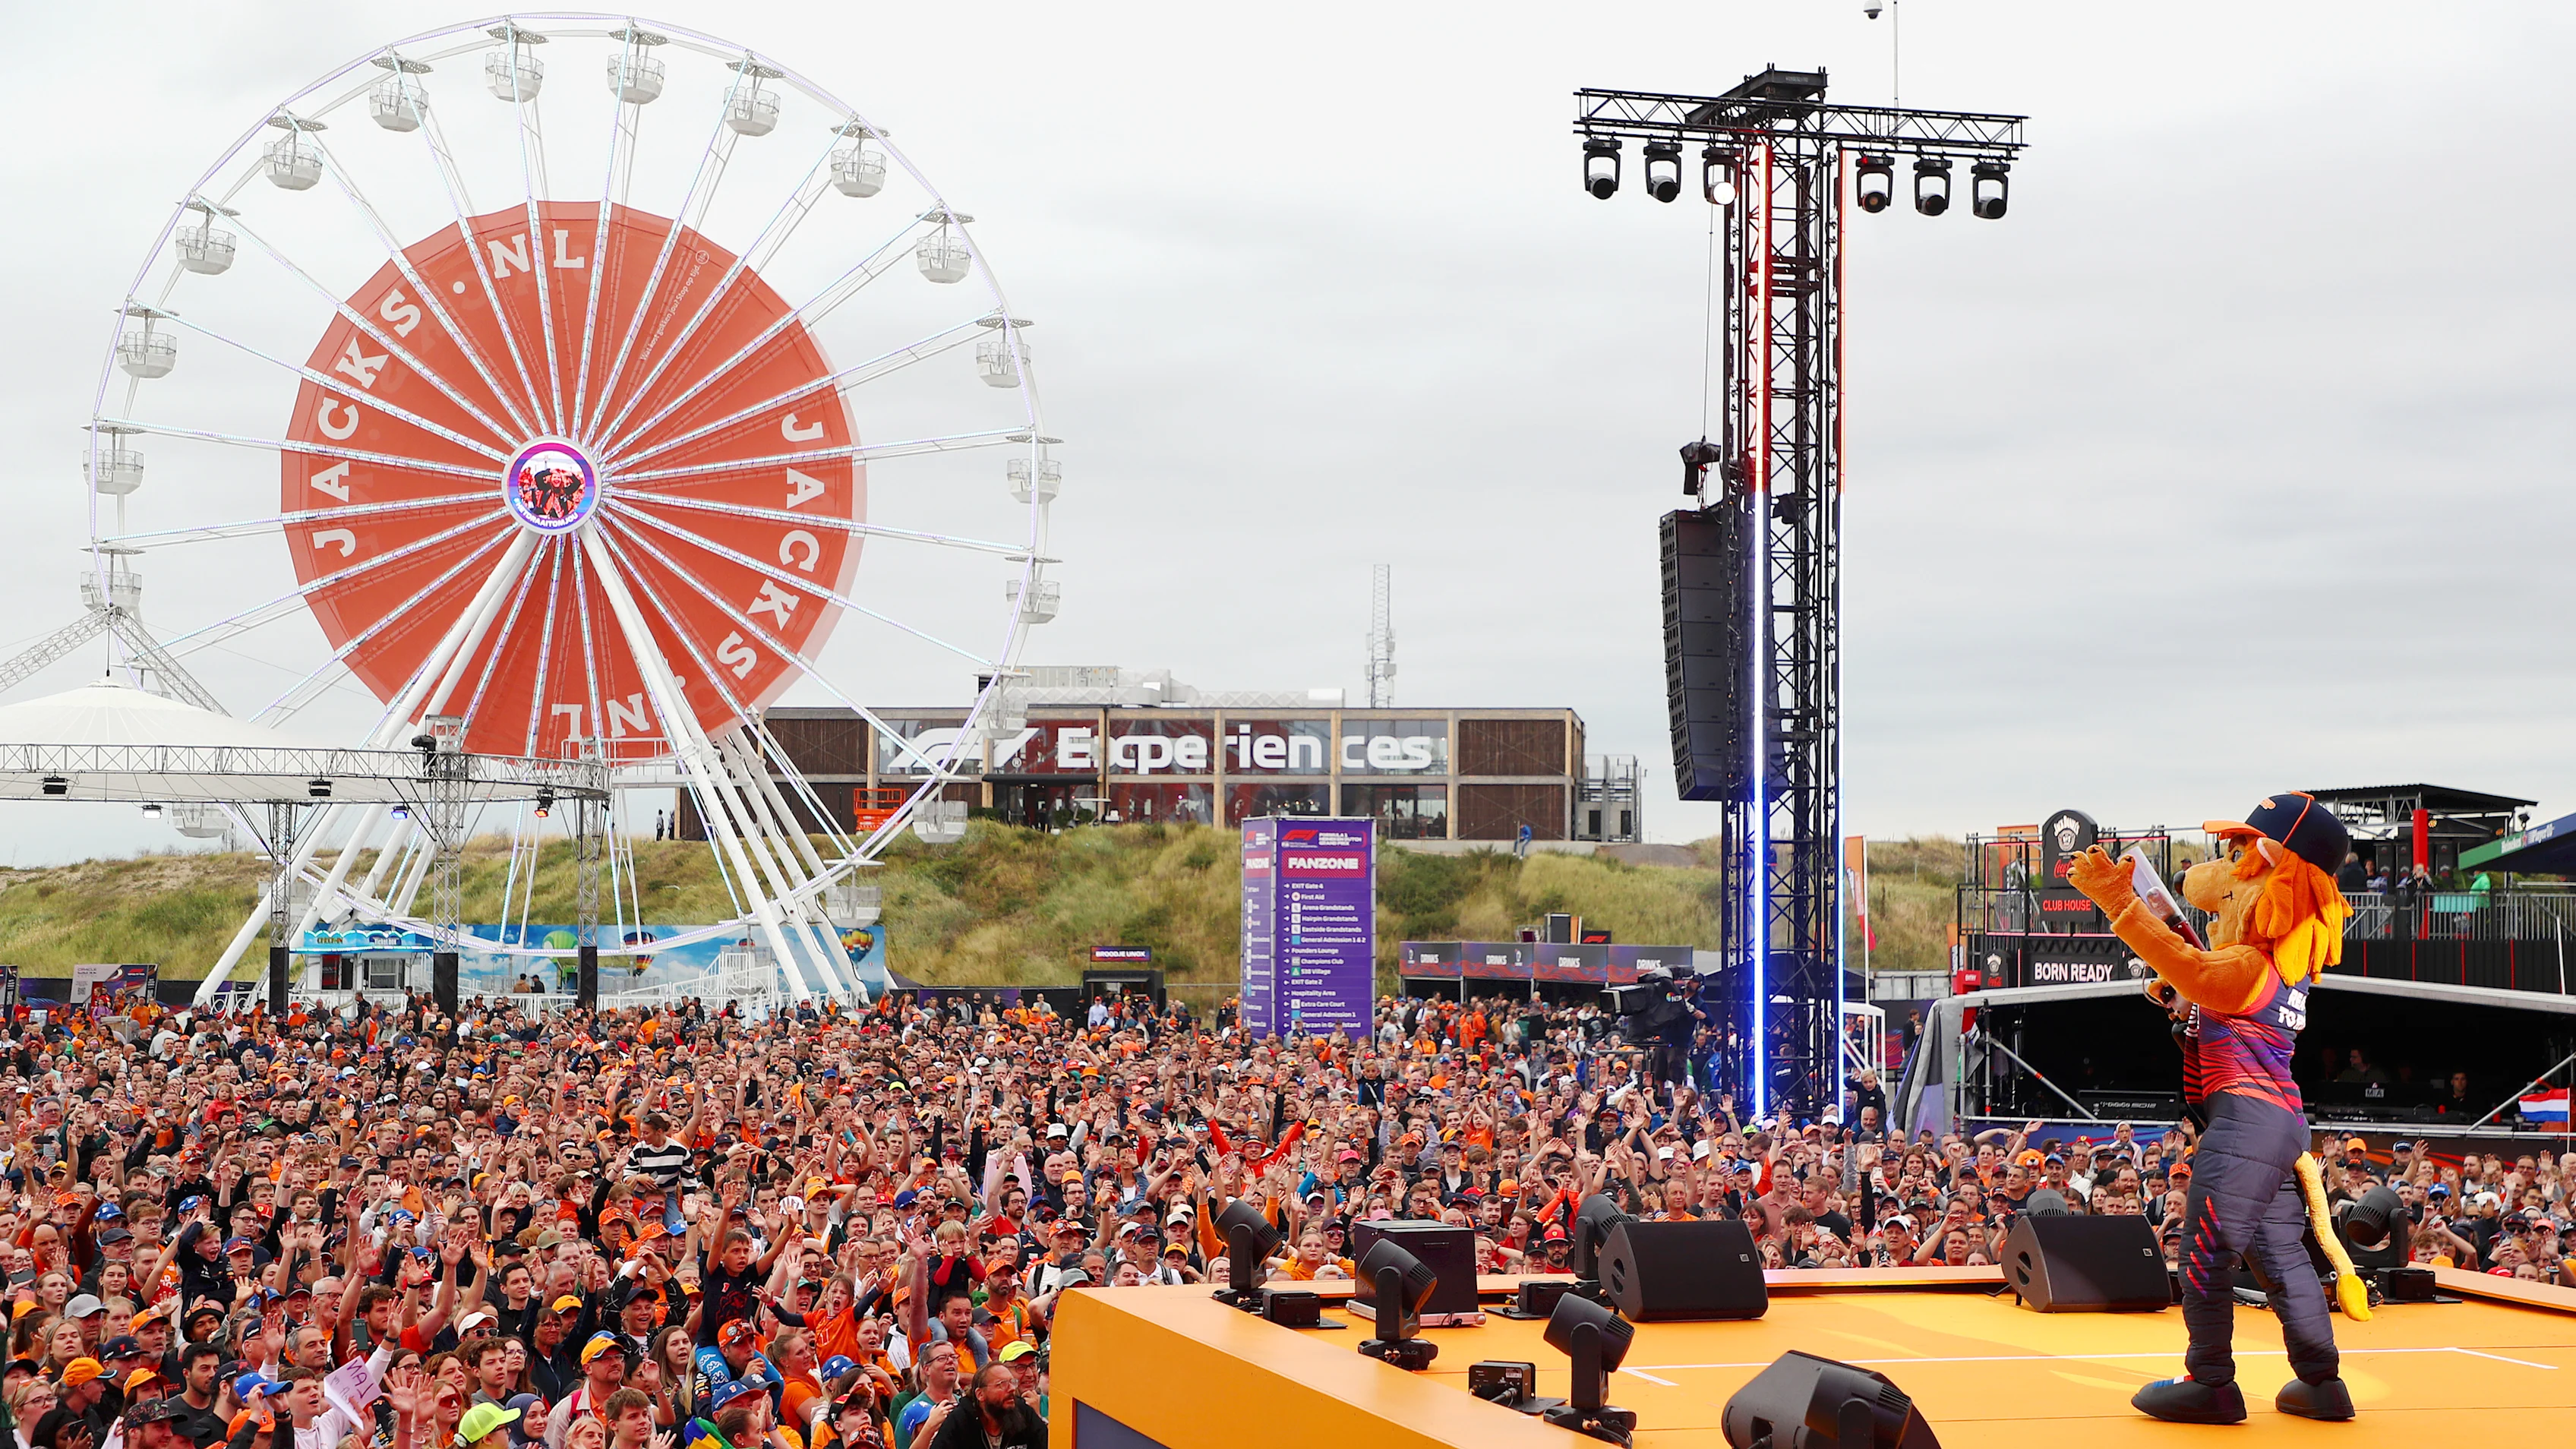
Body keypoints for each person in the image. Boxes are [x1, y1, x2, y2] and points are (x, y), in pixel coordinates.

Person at [2066, 794, 2356, 1425]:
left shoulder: (2252, 964)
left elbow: (2195, 969)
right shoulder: (2284, 970)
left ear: (2277, 866)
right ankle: (2322, 1381)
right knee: (2279, 1253)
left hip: (2247, 1123)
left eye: (2236, 855)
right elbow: (2209, 1002)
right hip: (2282, 1123)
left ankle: (2211, 1382)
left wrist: (2121, 902)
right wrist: (2183, 1006)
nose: (2215, 872)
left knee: (2207, 1248)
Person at [914, 1366, 1040, 1449]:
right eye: (1002, 1385)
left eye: (1012, 1382)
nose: (1012, 1389)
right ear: (980, 1395)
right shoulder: (960, 1420)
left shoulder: (1023, 1412)